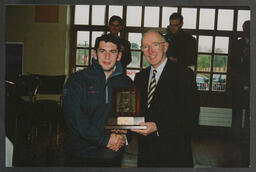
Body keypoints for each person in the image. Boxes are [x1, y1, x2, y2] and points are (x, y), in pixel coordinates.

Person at [62, 34, 133, 167]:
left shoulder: (126, 82)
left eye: (112, 52)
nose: (107, 57)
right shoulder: (76, 81)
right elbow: (76, 119)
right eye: (102, 51)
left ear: (119, 56)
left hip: (112, 153)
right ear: (95, 54)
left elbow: (128, 118)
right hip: (80, 154)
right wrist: (105, 139)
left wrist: (124, 137)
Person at [132, 30, 200, 167]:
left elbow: (191, 115)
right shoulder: (140, 77)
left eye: (155, 44)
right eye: (145, 46)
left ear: (165, 47)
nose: (150, 51)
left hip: (174, 155)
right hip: (146, 155)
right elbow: (135, 112)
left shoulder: (184, 74)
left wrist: (158, 126)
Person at [230, 20, 250, 139]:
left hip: (251, 82)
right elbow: (232, 63)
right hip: (238, 82)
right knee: (237, 109)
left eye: (248, 28)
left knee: (250, 111)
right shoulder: (237, 44)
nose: (246, 31)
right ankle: (235, 135)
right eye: (244, 28)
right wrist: (243, 57)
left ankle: (248, 136)